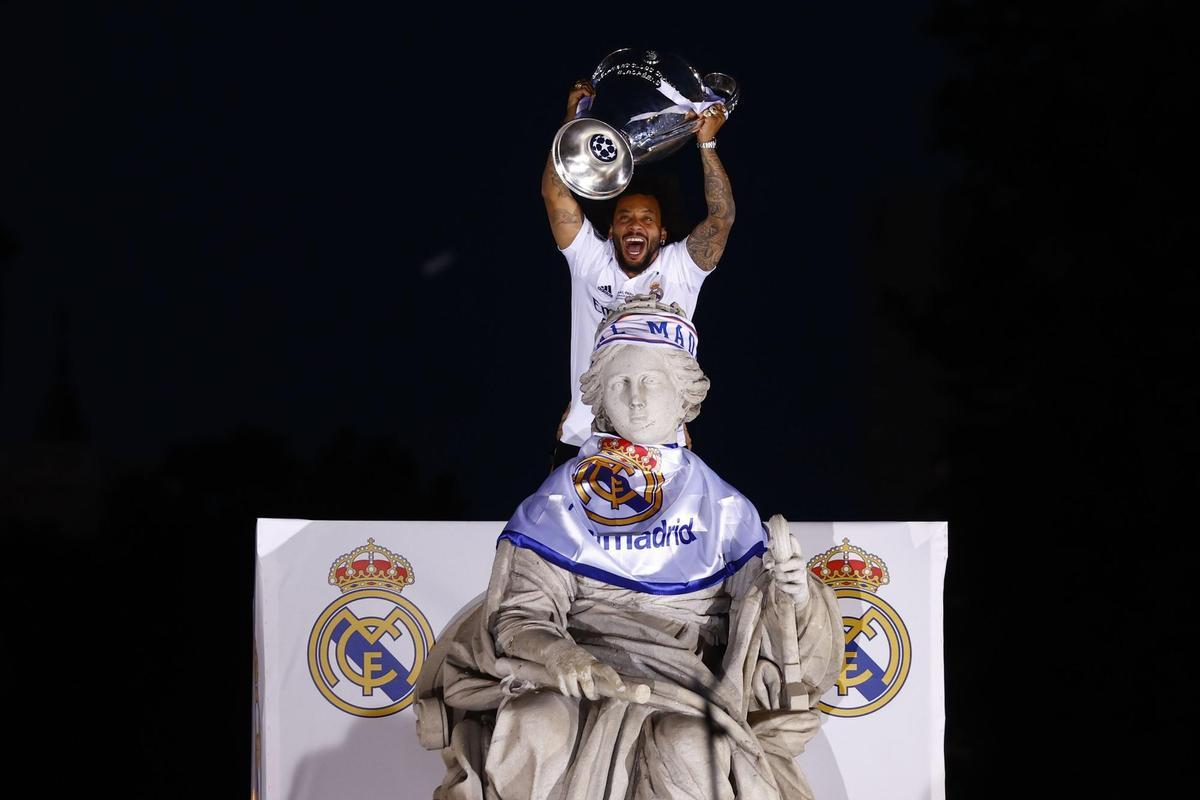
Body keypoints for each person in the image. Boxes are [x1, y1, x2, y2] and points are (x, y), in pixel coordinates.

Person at [415, 299, 843, 800]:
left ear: (683, 395)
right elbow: (518, 618)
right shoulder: (560, 501)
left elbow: (766, 630)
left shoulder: (723, 509)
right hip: (571, 677)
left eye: (651, 381)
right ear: (600, 397)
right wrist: (560, 655)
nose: (636, 399)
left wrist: (793, 595)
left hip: (684, 687)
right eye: (620, 383)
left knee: (691, 746)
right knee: (535, 723)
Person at [542, 79, 736, 467]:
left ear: (662, 234)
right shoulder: (590, 261)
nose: (635, 225)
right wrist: (572, 121)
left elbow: (721, 218)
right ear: (610, 229)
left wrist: (707, 143)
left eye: (647, 219)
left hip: (661, 441)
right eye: (625, 218)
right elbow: (555, 193)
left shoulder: (680, 267)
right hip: (585, 439)